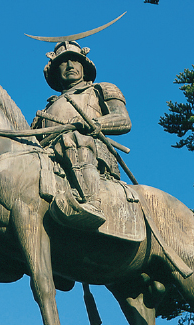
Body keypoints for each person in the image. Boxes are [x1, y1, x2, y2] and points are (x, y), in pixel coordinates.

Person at [32, 41, 131, 226]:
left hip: (90, 152)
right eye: (63, 63)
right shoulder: (46, 110)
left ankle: (90, 201)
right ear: (55, 71)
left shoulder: (100, 89)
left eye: (75, 61)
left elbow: (123, 120)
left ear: (84, 67)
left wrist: (92, 123)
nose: (70, 66)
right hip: (52, 160)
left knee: (75, 137)